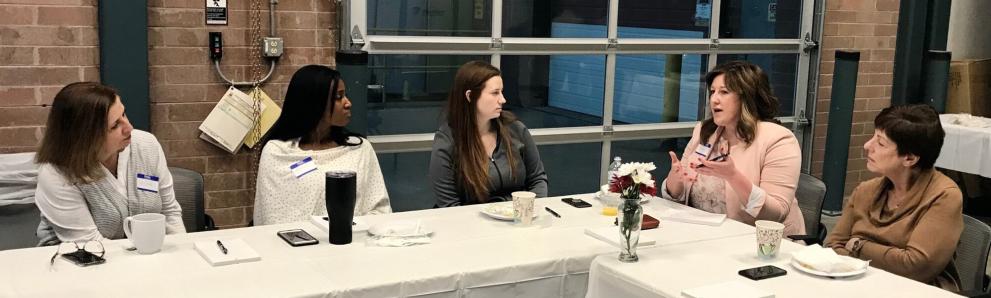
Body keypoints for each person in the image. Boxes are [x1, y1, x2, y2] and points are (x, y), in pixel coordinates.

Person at [825, 104, 962, 291]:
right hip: (860, 286)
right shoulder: (866, 190)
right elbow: (833, 247)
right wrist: (888, 257)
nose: (867, 146)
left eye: (880, 143)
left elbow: (915, 267)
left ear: (909, 159)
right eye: (873, 137)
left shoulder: (944, 196)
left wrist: (858, 245)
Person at [661, 61, 805, 236]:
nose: (714, 99)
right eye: (712, 92)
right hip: (702, 236)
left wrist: (733, 176)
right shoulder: (705, 131)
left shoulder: (778, 140)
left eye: (724, 92)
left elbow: (775, 215)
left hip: (759, 244)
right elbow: (679, 195)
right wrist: (674, 180)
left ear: (747, 97)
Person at [34, 82, 185, 245]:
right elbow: (90, 245)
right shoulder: (56, 173)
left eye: (124, 114)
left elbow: (169, 213)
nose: (129, 128)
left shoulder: (146, 145)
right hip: (78, 260)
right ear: (86, 137)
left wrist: (180, 255)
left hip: (144, 255)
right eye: (115, 125)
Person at [254, 65, 390, 225]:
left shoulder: (359, 148)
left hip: (353, 241)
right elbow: (273, 217)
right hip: (296, 246)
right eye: (339, 97)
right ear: (315, 102)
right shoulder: (278, 152)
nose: (348, 103)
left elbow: (379, 209)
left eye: (345, 95)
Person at [429, 61, 548, 207]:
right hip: (471, 225)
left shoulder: (515, 129)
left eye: (501, 92)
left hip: (518, 219)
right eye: (495, 93)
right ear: (470, 96)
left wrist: (529, 211)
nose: (502, 100)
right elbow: (448, 205)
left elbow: (537, 179)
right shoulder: (448, 141)